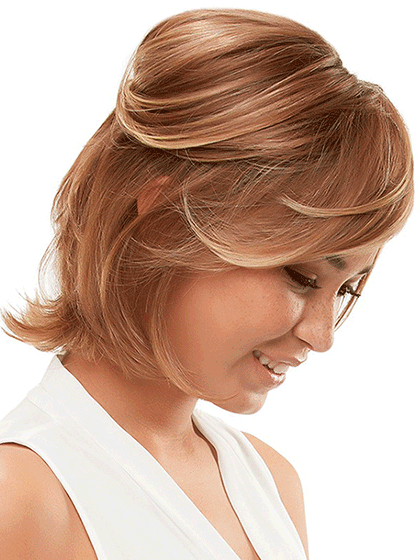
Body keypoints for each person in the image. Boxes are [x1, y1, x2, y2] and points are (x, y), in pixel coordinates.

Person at [0, 8, 413, 560]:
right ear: (162, 219)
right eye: (301, 277)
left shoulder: (272, 484)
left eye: (345, 291)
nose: (322, 336)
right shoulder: (25, 498)